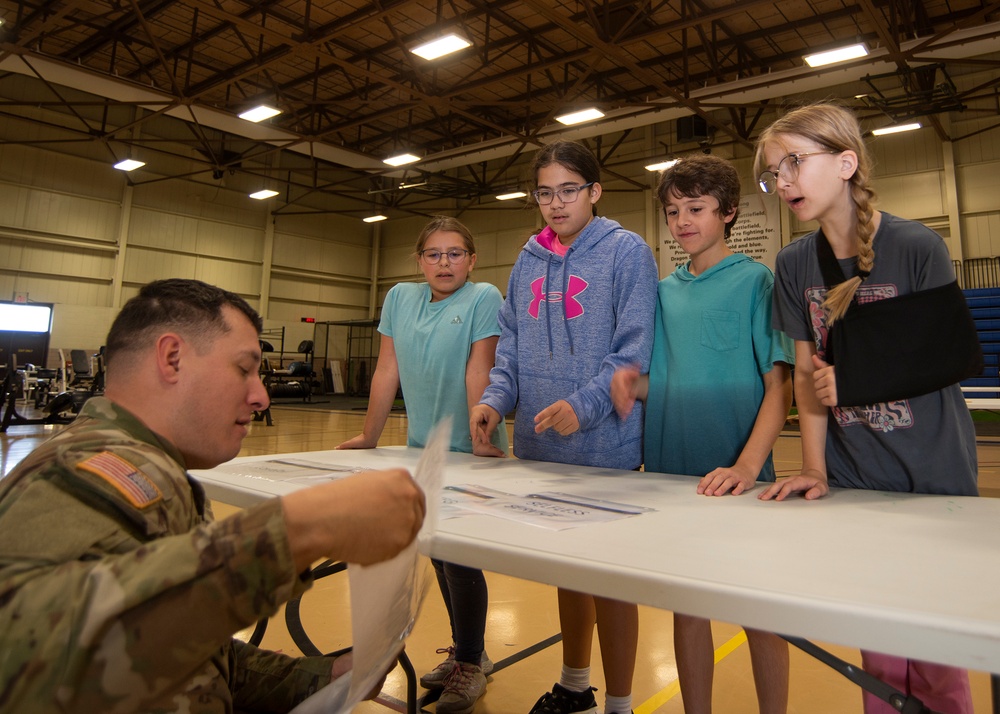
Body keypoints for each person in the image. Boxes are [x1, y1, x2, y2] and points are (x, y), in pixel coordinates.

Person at [0, 278, 426, 714]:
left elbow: (186, 655)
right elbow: (25, 655)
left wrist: (320, 678)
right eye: (244, 369)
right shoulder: (80, 473)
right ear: (172, 358)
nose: (261, 396)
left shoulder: (151, 470)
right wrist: (298, 529)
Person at [755, 102, 977, 714]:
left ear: (847, 162)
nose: (784, 182)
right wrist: (817, 468)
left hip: (932, 475)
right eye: (774, 173)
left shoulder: (915, 245)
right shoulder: (794, 263)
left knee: (937, 655)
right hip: (857, 477)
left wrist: (855, 376)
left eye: (795, 163)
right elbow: (807, 375)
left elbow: (946, 357)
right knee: (880, 660)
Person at [470, 140, 658, 714]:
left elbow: (634, 352)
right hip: (541, 453)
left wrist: (587, 404)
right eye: (545, 193)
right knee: (569, 578)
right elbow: (511, 351)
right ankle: (575, 685)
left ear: (595, 192)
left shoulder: (627, 253)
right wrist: (493, 402)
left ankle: (621, 705)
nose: (556, 204)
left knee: (611, 585)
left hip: (607, 450)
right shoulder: (527, 260)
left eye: (569, 191)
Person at [610, 154, 793, 714]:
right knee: (687, 611)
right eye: (672, 211)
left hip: (741, 482)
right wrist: (630, 387)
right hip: (673, 479)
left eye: (696, 208)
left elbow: (778, 388)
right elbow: (666, 378)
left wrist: (745, 466)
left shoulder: (756, 281)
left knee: (760, 614)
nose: (682, 221)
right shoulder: (662, 292)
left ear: (729, 212)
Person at [338, 216, 507, 713]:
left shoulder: (483, 298)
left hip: (468, 451)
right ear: (420, 261)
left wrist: (479, 439)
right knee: (436, 550)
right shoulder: (399, 299)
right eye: (434, 254)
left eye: (455, 253)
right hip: (419, 449)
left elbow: (482, 368)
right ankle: (465, 653)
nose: (444, 263)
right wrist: (370, 435)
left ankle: (472, 662)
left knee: (461, 558)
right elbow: (387, 368)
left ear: (471, 261)